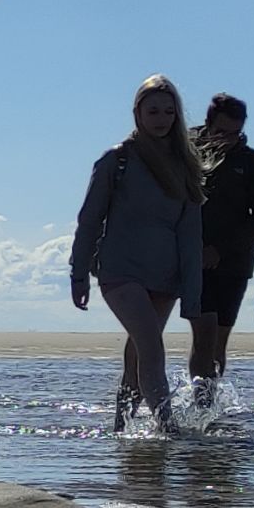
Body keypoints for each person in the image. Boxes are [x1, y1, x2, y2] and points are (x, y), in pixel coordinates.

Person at [70, 74, 205, 434]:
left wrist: (192, 293)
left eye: (168, 112)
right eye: (153, 111)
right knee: (151, 345)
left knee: (138, 355)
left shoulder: (185, 166)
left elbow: (191, 237)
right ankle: (168, 427)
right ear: (138, 114)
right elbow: (89, 220)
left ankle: (121, 427)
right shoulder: (116, 161)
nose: (161, 119)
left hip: (165, 276)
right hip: (120, 271)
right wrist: (78, 274)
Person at [188, 93, 254, 396]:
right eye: (220, 132)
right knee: (204, 336)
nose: (226, 139)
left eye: (234, 133)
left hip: (234, 264)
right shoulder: (185, 151)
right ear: (208, 123)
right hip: (193, 261)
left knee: (218, 343)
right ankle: (199, 403)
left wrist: (221, 249)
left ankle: (209, 404)